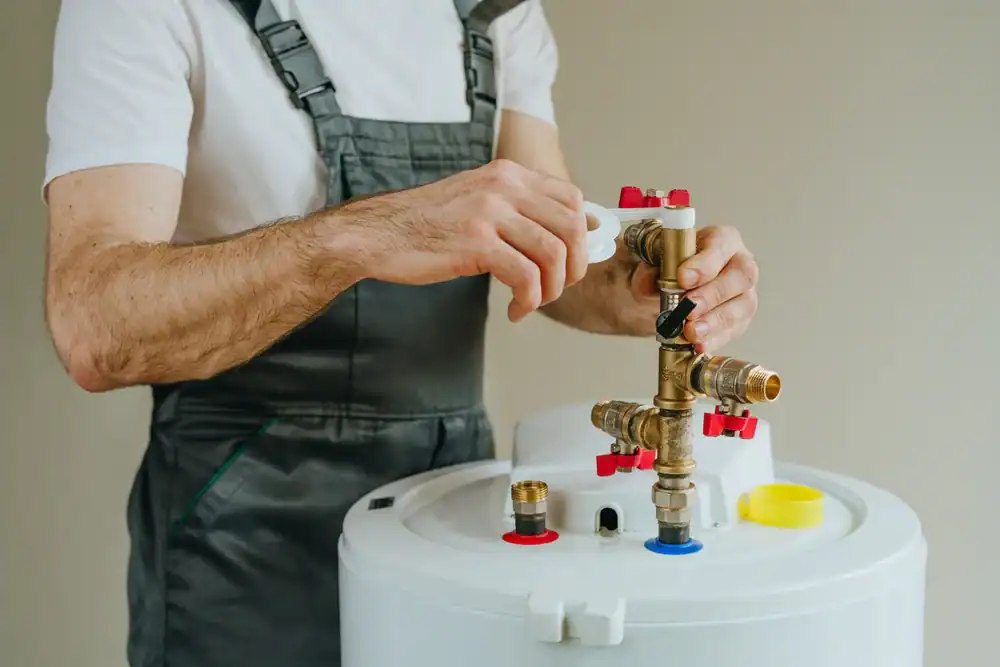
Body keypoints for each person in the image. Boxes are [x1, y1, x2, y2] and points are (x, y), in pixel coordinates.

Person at [42, 0, 761, 665]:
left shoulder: (497, 12)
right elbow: (94, 321)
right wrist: (363, 234)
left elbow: (558, 253)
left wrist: (653, 285)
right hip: (239, 542)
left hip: (451, 517)